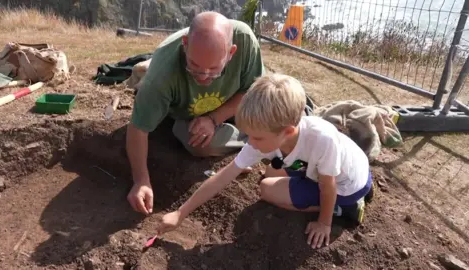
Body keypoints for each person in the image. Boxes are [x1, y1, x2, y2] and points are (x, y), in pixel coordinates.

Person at [156, 73, 373, 249]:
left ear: (287, 131)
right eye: (248, 135)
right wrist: (180, 213)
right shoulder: (273, 134)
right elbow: (224, 176)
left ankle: (345, 210)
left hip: (347, 185)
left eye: (257, 137)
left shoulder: (321, 139)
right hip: (323, 167)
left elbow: (328, 185)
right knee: (270, 172)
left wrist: (324, 223)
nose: (250, 143)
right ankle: (327, 197)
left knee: (267, 190)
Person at [126, 11, 265, 215]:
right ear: (185, 44)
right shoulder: (160, 77)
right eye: (195, 67)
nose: (203, 77)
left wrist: (214, 118)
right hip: (190, 113)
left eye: (214, 69)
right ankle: (257, 142)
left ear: (231, 52)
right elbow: (138, 128)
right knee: (200, 142)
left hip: (236, 100)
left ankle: (260, 139)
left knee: (270, 113)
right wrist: (141, 181)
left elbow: (253, 90)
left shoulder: (245, 41)